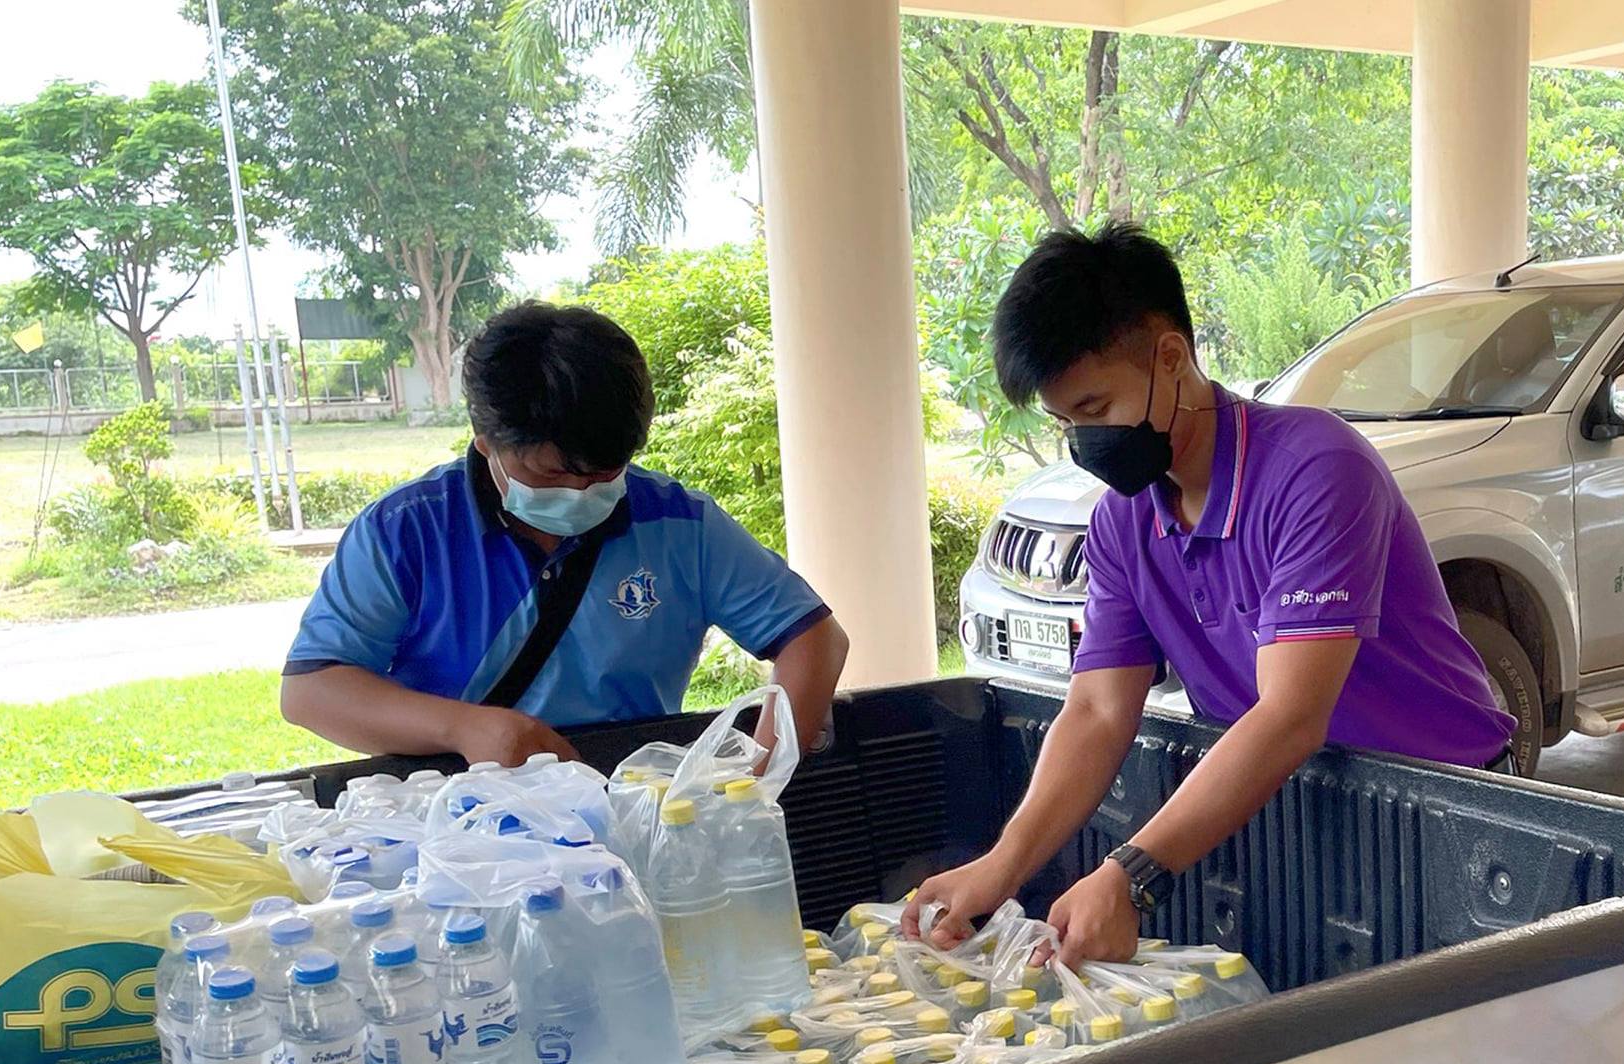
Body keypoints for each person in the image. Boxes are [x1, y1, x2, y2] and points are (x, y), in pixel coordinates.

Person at [904, 223, 1513, 968]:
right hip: (1290, 812)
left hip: (1452, 819)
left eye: (1094, 410)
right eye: (1066, 423)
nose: (1083, 442)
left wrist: (1129, 873)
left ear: (1170, 356)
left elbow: (1289, 714)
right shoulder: (1122, 521)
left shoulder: (1315, 471)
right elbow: (1097, 709)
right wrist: (1001, 869)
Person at [281, 302, 848, 766]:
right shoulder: (407, 531)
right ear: (487, 439)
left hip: (628, 794)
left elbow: (814, 638)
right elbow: (313, 690)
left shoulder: (679, 525)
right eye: (552, 474)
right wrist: (465, 728)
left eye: (604, 474)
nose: (581, 492)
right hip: (458, 805)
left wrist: (760, 773)